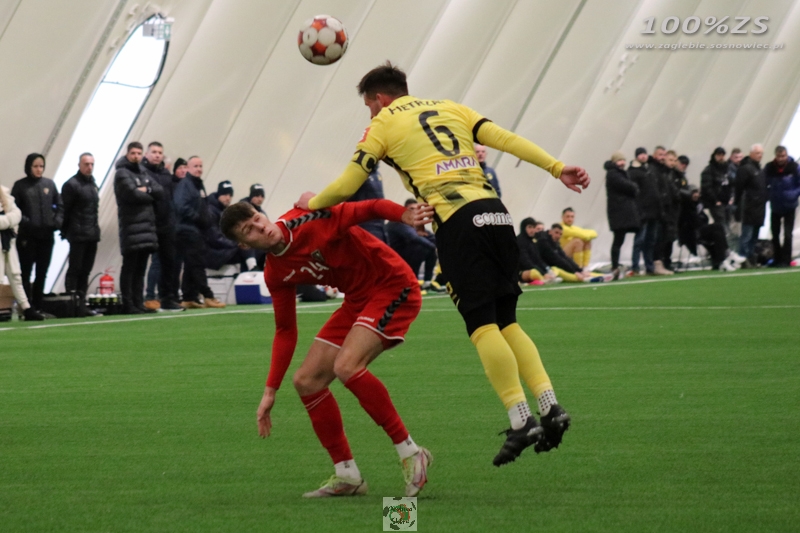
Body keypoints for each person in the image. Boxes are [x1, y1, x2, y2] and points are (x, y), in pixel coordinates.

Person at [295, 62, 589, 465]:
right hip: (496, 213)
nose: (370, 114)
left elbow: (348, 183)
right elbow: (506, 139)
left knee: (482, 325)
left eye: (369, 106)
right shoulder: (452, 107)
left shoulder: (382, 124)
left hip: (459, 221)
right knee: (508, 321)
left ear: (379, 99)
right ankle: (550, 406)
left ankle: (521, 420)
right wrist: (557, 167)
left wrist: (310, 203)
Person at [219, 199, 433, 498]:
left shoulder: (307, 219)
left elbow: (368, 207)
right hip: (357, 300)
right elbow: (285, 330)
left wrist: (404, 215)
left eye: (256, 218)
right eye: (248, 230)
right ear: (244, 245)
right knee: (306, 381)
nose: (260, 227)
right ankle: (347, 475)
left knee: (347, 366)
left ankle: (411, 452)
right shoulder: (275, 271)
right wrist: (270, 391)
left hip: (393, 285)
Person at [113, 142, 162, 314]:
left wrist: (145, 190)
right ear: (127, 154)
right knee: (129, 267)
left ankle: (138, 303)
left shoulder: (143, 172)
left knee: (140, 269)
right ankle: (128, 304)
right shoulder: (121, 173)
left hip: (146, 228)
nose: (136, 156)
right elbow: (131, 194)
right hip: (131, 227)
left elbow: (159, 191)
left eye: (139, 153)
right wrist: (149, 194)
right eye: (133, 153)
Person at [11, 153, 63, 310]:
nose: (39, 169)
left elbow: (60, 206)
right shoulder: (20, 186)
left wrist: (56, 222)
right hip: (27, 237)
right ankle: (26, 307)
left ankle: (39, 306)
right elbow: (13, 209)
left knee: (42, 272)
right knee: (25, 272)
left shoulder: (49, 184)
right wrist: (27, 223)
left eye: (41, 166)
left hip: (46, 236)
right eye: (35, 166)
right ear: (29, 167)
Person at [173, 156, 225, 309]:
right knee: (197, 263)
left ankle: (189, 297)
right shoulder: (185, 185)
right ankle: (208, 296)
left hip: (196, 229)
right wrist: (198, 218)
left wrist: (206, 220)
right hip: (187, 230)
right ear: (188, 168)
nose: (199, 169)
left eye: (200, 166)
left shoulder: (198, 185)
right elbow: (181, 206)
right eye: (195, 166)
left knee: (191, 264)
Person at [141, 142, 183, 312]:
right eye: (154, 152)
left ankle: (167, 298)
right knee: (152, 263)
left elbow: (170, 199)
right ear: (147, 154)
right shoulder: (142, 172)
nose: (157, 155)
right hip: (149, 223)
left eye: (160, 152)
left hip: (167, 224)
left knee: (168, 262)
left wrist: (172, 219)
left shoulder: (166, 174)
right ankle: (149, 297)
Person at [61, 153, 100, 316]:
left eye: (92, 164)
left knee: (85, 271)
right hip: (77, 234)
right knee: (75, 270)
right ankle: (71, 304)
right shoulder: (71, 185)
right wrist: (65, 231)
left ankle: (81, 304)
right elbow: (65, 210)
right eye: (86, 164)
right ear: (79, 165)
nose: (89, 167)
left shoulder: (93, 184)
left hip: (92, 234)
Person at [0, 185, 44, 320]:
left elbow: (17, 214)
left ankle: (26, 308)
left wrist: (6, 221)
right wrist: (8, 221)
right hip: (5, 241)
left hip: (7, 242)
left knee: (15, 276)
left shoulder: (4, 194)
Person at [678, 187, 744, 271]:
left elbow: (703, 219)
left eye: (697, 193)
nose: (696, 195)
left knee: (717, 234)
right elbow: (693, 222)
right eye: (694, 193)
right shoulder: (686, 207)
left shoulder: (699, 204)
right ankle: (727, 253)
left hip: (700, 229)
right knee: (718, 226)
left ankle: (721, 261)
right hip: (691, 233)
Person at [386, 199, 440, 291]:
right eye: (411, 209)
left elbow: (430, 237)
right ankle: (413, 281)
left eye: (416, 209)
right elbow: (414, 237)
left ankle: (427, 282)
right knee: (421, 248)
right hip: (393, 257)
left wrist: (444, 244)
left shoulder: (413, 223)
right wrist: (434, 247)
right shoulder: (397, 221)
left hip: (405, 256)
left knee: (428, 249)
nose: (414, 211)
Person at [205, 181, 256, 272]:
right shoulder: (210, 211)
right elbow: (215, 237)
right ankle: (252, 270)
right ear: (219, 194)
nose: (228, 198)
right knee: (243, 247)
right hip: (214, 251)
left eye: (230, 195)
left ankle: (252, 269)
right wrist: (235, 243)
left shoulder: (223, 211)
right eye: (225, 194)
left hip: (222, 247)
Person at [763, 146, 800, 267]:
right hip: (775, 205)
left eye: (783, 156)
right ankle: (777, 258)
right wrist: (769, 195)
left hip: (790, 205)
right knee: (775, 234)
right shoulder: (769, 168)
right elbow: (763, 183)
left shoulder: (794, 167)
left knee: (788, 235)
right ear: (775, 156)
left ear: (786, 155)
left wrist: (793, 195)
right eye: (779, 156)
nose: (781, 159)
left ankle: (786, 259)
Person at [604, 151, 639, 278]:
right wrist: (634, 187)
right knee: (618, 240)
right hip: (619, 213)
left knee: (619, 240)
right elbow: (629, 186)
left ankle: (616, 266)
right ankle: (615, 266)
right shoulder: (613, 174)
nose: (622, 163)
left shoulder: (618, 174)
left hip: (621, 213)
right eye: (620, 160)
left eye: (623, 160)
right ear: (614, 162)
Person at [629, 147, 661, 275]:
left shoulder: (650, 169)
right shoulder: (633, 172)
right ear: (636, 156)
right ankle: (635, 267)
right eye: (640, 154)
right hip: (642, 212)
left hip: (654, 211)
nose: (643, 156)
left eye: (644, 154)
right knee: (639, 240)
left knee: (651, 241)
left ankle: (650, 266)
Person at [735, 144, 767, 266]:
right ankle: (742, 259)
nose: (760, 155)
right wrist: (738, 204)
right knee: (746, 235)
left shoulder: (760, 170)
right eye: (758, 153)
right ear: (751, 154)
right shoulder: (745, 169)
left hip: (759, 208)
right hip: (749, 207)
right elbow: (739, 188)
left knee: (754, 236)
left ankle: (751, 257)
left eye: (761, 153)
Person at [346, 164, 388, 242]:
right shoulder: (358, 174)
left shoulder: (377, 175)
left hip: (380, 228)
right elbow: (347, 199)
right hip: (365, 226)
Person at [516, 218, 560, 285]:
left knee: (554, 269)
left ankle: (550, 277)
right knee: (534, 272)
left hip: (535, 269)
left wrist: (547, 270)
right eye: (529, 227)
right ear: (524, 228)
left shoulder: (532, 241)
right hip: (522, 272)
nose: (532, 230)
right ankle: (545, 279)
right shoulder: (519, 241)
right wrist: (543, 273)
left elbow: (538, 260)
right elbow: (526, 263)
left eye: (533, 227)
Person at [700, 147, 731, 229]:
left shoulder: (726, 169)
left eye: (722, 155)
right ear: (714, 156)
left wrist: (731, 197)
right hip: (716, 204)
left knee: (727, 224)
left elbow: (731, 184)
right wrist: (715, 200)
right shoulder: (709, 170)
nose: (721, 157)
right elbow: (706, 187)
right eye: (719, 155)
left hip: (726, 202)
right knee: (721, 225)